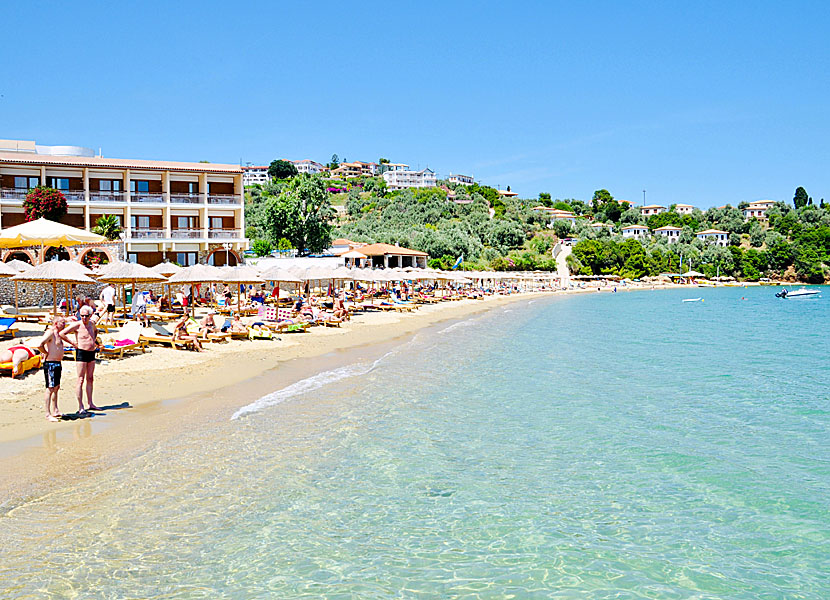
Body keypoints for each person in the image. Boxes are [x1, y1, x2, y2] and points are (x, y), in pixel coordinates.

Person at [60, 304, 105, 414]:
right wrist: (73, 343)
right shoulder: (77, 325)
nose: (84, 318)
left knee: (90, 378)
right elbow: (62, 333)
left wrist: (94, 341)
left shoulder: (92, 324)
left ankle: (91, 403)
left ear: (90, 315)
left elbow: (95, 331)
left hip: (91, 353)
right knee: (80, 379)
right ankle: (81, 406)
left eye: (86, 316)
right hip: (81, 353)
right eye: (82, 316)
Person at [37, 317, 66, 422]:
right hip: (50, 364)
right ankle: (47, 413)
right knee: (50, 388)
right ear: (56, 323)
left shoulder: (59, 334)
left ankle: (55, 410)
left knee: (56, 387)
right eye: (62, 323)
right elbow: (39, 344)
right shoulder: (50, 332)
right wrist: (45, 352)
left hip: (57, 363)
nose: (64, 324)